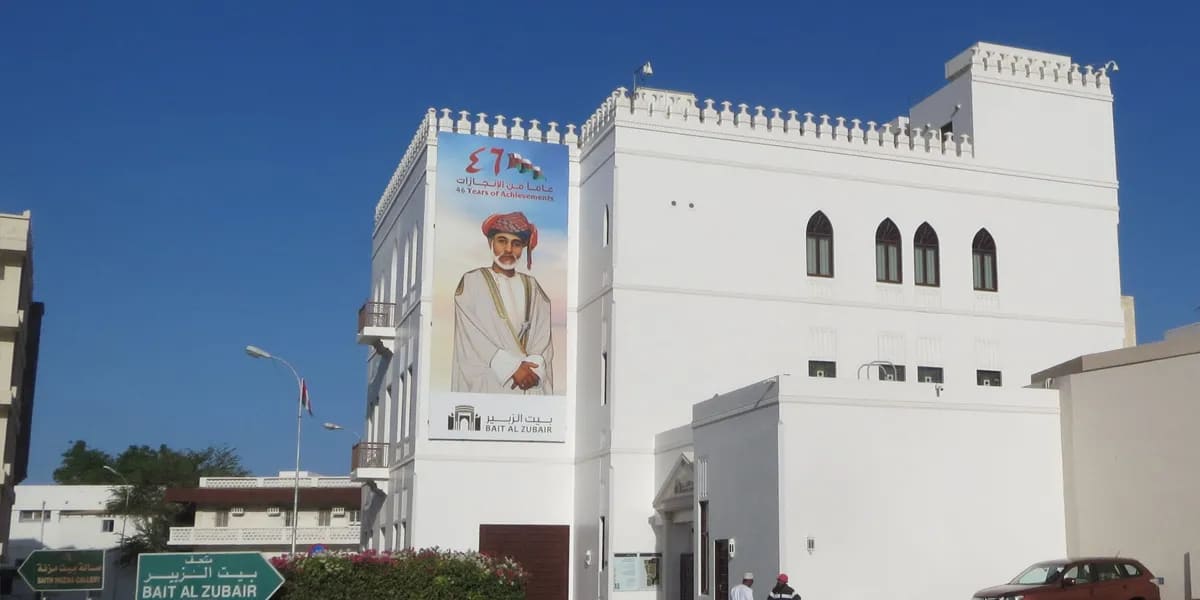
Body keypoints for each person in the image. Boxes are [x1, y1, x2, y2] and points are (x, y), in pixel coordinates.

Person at [451, 211, 555, 394]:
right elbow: (470, 337)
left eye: (516, 244)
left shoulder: (534, 287)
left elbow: (543, 336)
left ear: (523, 248)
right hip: (490, 383)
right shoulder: (472, 282)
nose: (508, 249)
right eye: (502, 241)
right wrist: (512, 368)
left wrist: (534, 369)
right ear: (491, 243)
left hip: (529, 386)